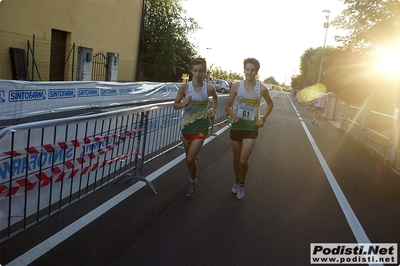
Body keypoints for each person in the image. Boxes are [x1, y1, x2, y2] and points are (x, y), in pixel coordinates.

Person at [224, 58, 274, 200]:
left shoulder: (262, 89)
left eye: (252, 70)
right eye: (247, 69)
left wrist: (263, 118)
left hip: (251, 128)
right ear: (244, 70)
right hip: (237, 126)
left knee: (243, 161)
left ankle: (242, 184)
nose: (249, 72)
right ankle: (236, 179)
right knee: (235, 159)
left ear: (256, 72)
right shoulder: (236, 87)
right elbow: (227, 106)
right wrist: (233, 115)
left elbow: (270, 104)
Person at [173, 58, 218, 198]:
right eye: (195, 71)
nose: (198, 73)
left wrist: (213, 110)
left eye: (200, 71)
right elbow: (175, 105)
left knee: (189, 159)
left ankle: (193, 181)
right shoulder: (185, 88)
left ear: (204, 71)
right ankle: (193, 173)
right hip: (186, 127)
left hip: (201, 126)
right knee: (189, 158)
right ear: (192, 71)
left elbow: (216, 98)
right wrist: (183, 103)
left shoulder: (209, 88)